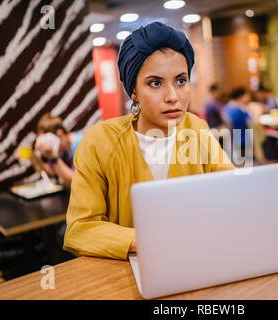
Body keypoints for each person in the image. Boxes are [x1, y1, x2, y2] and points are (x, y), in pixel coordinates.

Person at [63, 22, 234, 260]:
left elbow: (233, 193)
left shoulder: (197, 129)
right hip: (126, 273)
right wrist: (144, 241)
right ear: (133, 90)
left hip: (196, 258)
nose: (172, 96)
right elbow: (79, 230)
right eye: (155, 83)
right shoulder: (99, 142)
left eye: (181, 80)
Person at [32, 113, 83, 188]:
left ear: (60, 134)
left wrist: (53, 158)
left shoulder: (81, 145)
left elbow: (77, 183)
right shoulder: (62, 149)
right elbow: (52, 172)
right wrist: (37, 156)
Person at [223, 87, 252, 152]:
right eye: (247, 95)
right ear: (242, 96)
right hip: (242, 139)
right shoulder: (240, 109)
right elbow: (252, 122)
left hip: (232, 139)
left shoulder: (226, 107)